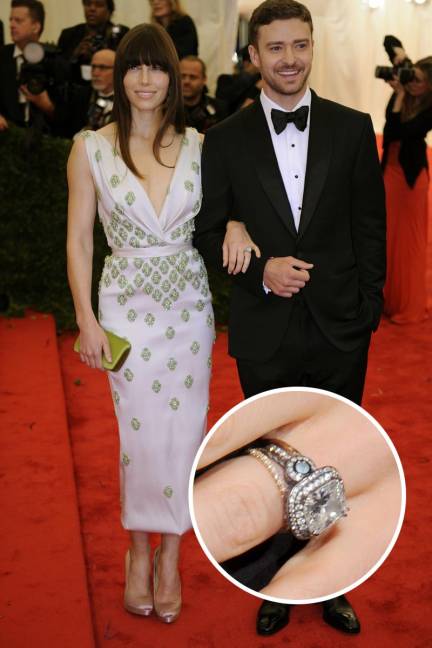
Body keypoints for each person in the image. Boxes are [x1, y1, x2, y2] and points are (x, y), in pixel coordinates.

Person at [194, 0, 386, 637]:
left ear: (312, 48)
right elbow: (207, 232)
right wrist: (260, 269)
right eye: (275, 47)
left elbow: (370, 226)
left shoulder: (353, 127)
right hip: (265, 329)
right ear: (253, 56)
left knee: (337, 456)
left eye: (300, 45)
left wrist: (367, 310)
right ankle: (277, 580)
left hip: (340, 326)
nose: (289, 59)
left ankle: (333, 580)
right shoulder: (224, 139)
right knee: (270, 462)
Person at [67, 22, 250, 623]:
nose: (145, 79)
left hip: (189, 310)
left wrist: (237, 224)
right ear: (120, 77)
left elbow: (226, 212)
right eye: (134, 67)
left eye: (157, 67)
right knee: (140, 439)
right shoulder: (91, 148)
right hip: (125, 309)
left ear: (173, 77)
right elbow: (79, 241)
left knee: (185, 434)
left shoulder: (201, 144)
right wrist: (85, 319)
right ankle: (137, 551)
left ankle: (170, 556)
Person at [382, 56, 432, 324]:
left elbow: (403, 131)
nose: (412, 83)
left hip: (411, 180)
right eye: (411, 76)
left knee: (408, 242)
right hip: (389, 173)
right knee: (388, 237)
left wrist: (400, 95)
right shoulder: (404, 93)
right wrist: (401, 57)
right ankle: (388, 299)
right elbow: (389, 128)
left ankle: (407, 304)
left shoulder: (430, 107)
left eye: (419, 80)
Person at [0, 0, 55, 132]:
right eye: (11, 20)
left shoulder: (53, 60)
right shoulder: (2, 56)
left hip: (46, 137)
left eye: (18, 21)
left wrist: (47, 106)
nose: (11, 25)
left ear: (35, 27)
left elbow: (69, 116)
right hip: (6, 135)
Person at [57, 0, 128, 83]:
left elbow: (125, 69)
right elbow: (58, 71)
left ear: (109, 11)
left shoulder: (121, 35)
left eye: (99, 5)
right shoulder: (69, 34)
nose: (92, 9)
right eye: (87, 4)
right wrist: (75, 56)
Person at [55, 48, 116, 138]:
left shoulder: (127, 99)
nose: (95, 73)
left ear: (117, 70)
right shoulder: (79, 95)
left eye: (102, 67)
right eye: (93, 67)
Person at [180, 56, 227, 133]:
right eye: (182, 76)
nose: (186, 81)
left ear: (204, 79)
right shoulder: (165, 108)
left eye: (193, 77)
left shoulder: (219, 109)